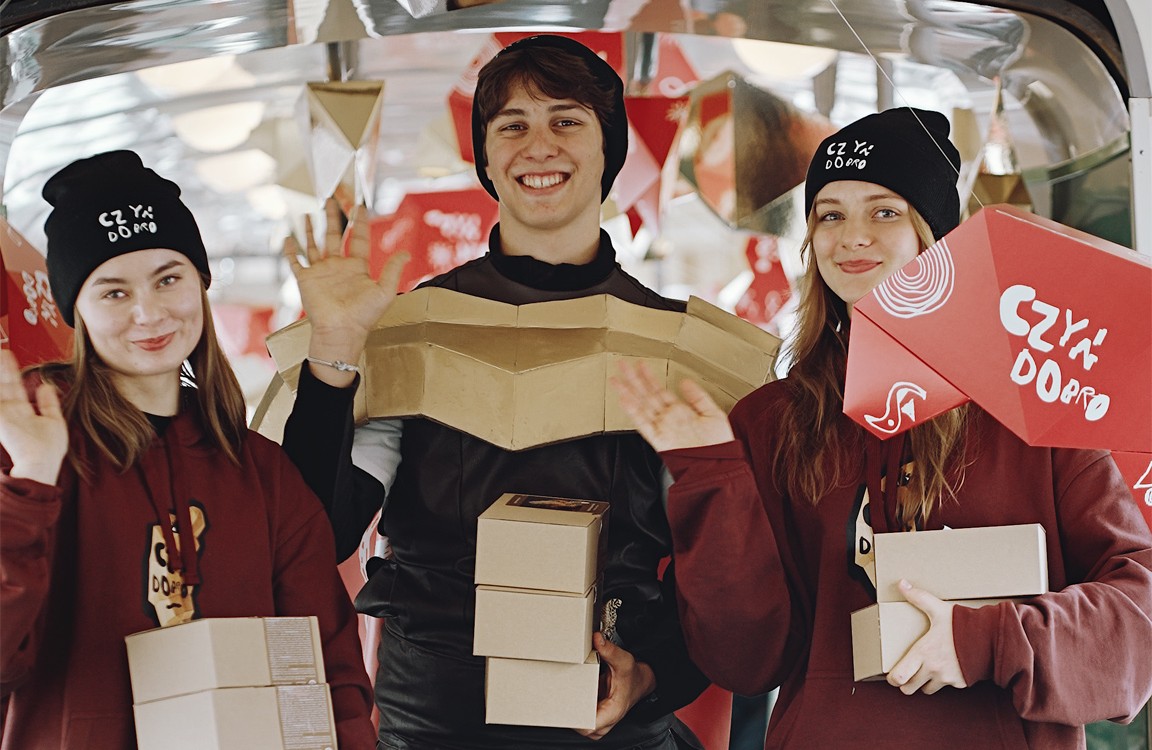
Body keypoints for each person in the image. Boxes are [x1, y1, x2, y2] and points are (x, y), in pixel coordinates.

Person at [611, 107, 1152, 748]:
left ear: (935, 236)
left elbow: (1138, 620)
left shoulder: (1031, 407)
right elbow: (745, 661)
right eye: (829, 215)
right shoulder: (772, 421)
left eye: (885, 211)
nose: (852, 237)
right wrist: (710, 474)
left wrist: (987, 640)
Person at [280, 34, 708, 750]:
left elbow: (718, 560)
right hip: (436, 720)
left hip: (609, 712)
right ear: (484, 156)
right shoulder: (414, 330)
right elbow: (316, 532)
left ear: (610, 148)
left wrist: (654, 674)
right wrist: (333, 353)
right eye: (512, 125)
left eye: (566, 120)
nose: (538, 145)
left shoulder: (673, 345)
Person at [0, 151, 376, 750]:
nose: (148, 313)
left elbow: (328, 666)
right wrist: (30, 485)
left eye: (168, 278)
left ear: (201, 284)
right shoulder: (27, 444)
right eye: (113, 291)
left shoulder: (261, 472)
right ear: (77, 309)